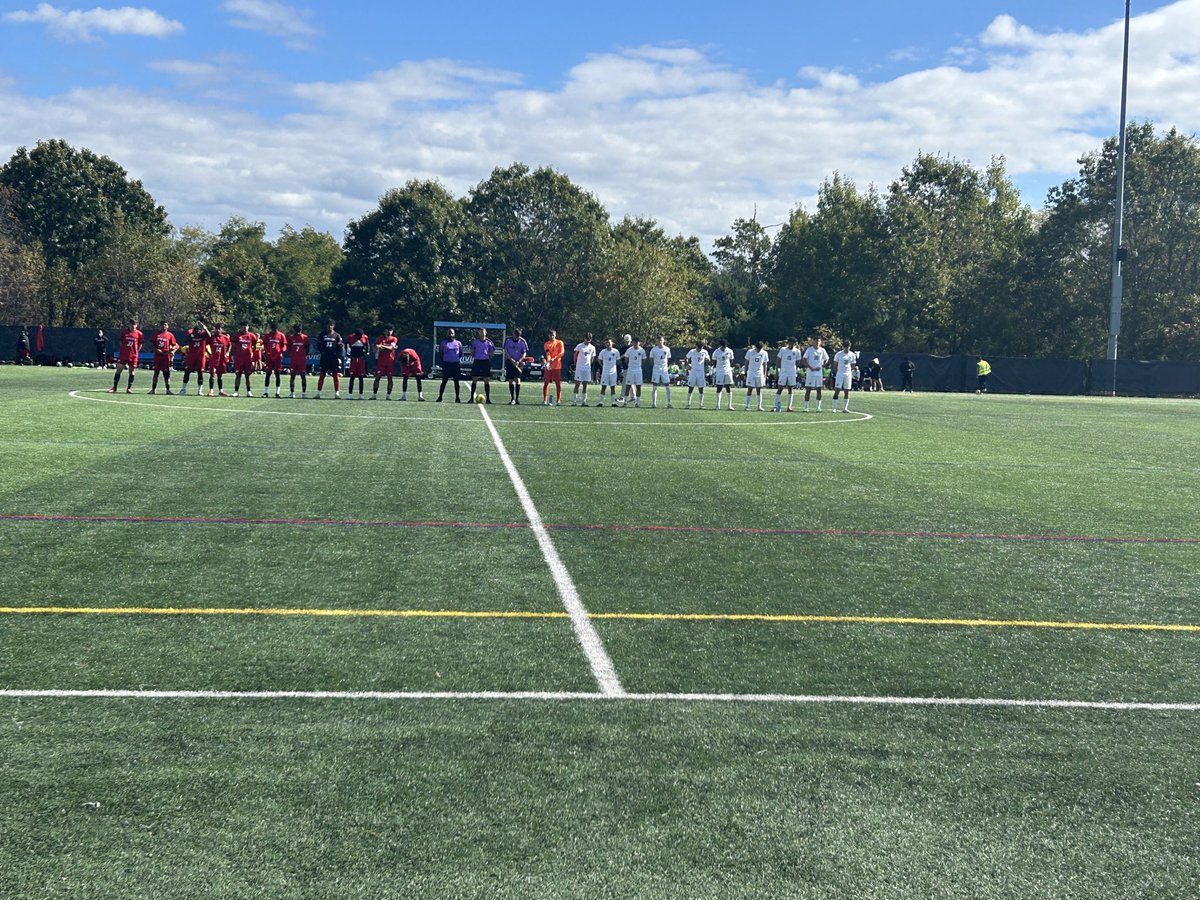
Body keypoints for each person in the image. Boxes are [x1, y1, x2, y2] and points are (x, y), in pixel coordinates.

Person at [107, 319, 143, 394]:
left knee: (132, 372)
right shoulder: (124, 332)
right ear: (129, 324)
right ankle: (114, 387)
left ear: (136, 325)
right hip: (123, 355)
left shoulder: (139, 334)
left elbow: (140, 344)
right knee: (119, 370)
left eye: (135, 324)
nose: (133, 326)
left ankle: (129, 388)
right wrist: (124, 349)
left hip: (133, 356)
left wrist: (135, 351)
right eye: (132, 324)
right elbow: (121, 342)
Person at [314, 320, 344, 399]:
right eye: (328, 325)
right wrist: (323, 352)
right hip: (325, 357)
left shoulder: (337, 335)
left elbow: (339, 346)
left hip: (333, 358)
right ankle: (318, 393)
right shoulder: (322, 334)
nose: (329, 326)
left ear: (333, 326)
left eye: (331, 325)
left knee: (335, 375)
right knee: (322, 375)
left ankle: (337, 393)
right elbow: (319, 345)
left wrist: (337, 351)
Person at [147, 322, 178, 395]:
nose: (164, 326)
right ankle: (153, 389)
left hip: (166, 357)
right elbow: (151, 344)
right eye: (162, 325)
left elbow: (175, 345)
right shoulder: (156, 334)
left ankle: (168, 390)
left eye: (165, 325)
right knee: (156, 373)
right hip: (157, 357)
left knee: (166, 374)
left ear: (167, 326)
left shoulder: (170, 335)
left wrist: (170, 350)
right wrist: (156, 349)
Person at [179, 323, 210, 395]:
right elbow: (186, 339)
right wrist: (191, 335)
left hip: (200, 357)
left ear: (200, 331)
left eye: (198, 331)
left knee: (200, 373)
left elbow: (209, 335)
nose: (196, 332)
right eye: (195, 331)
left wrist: (205, 328)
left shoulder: (203, 336)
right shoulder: (191, 335)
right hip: (191, 357)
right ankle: (183, 389)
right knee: (187, 372)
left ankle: (199, 391)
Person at [230, 323, 259, 398]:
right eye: (243, 326)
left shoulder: (252, 335)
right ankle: (236, 392)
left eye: (246, 326)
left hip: (248, 359)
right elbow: (233, 345)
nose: (245, 327)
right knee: (238, 375)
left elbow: (255, 344)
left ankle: (249, 392)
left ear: (248, 327)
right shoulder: (237, 335)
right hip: (239, 359)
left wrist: (253, 352)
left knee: (248, 376)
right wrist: (233, 355)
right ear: (241, 327)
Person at [259, 322, 287, 398]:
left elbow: (284, 346)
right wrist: (267, 352)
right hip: (269, 358)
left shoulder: (281, 335)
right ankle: (266, 392)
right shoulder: (267, 335)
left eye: (275, 329)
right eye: (273, 329)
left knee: (277, 374)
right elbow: (264, 344)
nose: (274, 330)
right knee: (268, 374)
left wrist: (280, 352)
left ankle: (277, 392)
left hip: (277, 358)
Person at [774, 337, 802, 412]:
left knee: (790, 388)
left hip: (792, 372)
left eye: (793, 343)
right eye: (790, 343)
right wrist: (777, 371)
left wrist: (795, 370)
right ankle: (775, 406)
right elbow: (778, 360)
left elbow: (798, 362)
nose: (791, 344)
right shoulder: (783, 349)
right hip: (783, 372)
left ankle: (789, 406)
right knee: (780, 388)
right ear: (788, 343)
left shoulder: (797, 351)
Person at [801, 335, 828, 412]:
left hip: (819, 373)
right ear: (813, 342)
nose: (817, 343)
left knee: (819, 390)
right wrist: (810, 367)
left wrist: (822, 365)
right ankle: (806, 407)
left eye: (819, 341)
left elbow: (827, 359)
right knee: (808, 390)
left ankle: (818, 407)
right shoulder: (809, 350)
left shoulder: (822, 350)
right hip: (810, 373)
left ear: (820, 342)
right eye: (816, 341)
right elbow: (804, 360)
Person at [436, 327, 463, 402]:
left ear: (454, 334)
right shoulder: (443, 343)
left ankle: (457, 398)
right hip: (446, 365)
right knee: (444, 381)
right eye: (449, 333)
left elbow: (460, 354)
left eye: (452, 333)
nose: (450, 334)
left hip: (455, 365)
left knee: (456, 382)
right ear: (447, 334)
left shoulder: (458, 343)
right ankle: (440, 397)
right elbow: (441, 354)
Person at [503, 329, 529, 404]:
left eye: (518, 336)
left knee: (517, 379)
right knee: (510, 380)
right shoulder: (508, 340)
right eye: (515, 336)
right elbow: (506, 351)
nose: (517, 338)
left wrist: (519, 360)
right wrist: (511, 360)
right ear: (513, 334)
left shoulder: (522, 341)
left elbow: (524, 353)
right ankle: (512, 398)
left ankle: (517, 399)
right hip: (510, 362)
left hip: (519, 363)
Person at [372, 326, 399, 399]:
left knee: (390, 378)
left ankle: (388, 395)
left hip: (390, 361)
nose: (390, 332)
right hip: (381, 361)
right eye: (389, 330)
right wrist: (386, 347)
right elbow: (378, 348)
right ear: (385, 331)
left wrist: (382, 346)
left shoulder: (394, 338)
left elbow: (391, 348)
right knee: (377, 377)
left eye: (391, 330)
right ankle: (374, 394)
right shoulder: (380, 338)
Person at [832, 340, 859, 413]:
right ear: (843, 347)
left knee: (846, 391)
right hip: (840, 373)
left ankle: (845, 408)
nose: (847, 349)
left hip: (848, 374)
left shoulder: (852, 355)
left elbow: (853, 364)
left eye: (848, 347)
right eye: (846, 347)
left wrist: (854, 368)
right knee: (837, 390)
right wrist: (835, 372)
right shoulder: (839, 354)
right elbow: (835, 363)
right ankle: (834, 407)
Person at [469, 328, 495, 403]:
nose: (481, 333)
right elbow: (472, 352)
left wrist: (487, 356)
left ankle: (488, 399)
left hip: (485, 362)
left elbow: (492, 352)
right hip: (477, 361)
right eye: (480, 332)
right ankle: (471, 398)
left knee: (486, 380)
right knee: (474, 380)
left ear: (486, 333)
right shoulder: (475, 342)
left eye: (483, 332)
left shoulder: (489, 342)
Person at [206, 325, 232, 397]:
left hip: (221, 360)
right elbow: (205, 344)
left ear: (221, 329)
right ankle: (211, 390)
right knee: (212, 375)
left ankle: (221, 391)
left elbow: (230, 345)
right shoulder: (212, 338)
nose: (217, 330)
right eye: (216, 329)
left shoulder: (225, 338)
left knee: (220, 376)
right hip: (214, 359)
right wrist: (208, 353)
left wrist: (227, 352)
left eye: (219, 329)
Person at [572, 332, 597, 406]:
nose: (588, 341)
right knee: (577, 384)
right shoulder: (579, 346)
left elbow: (592, 357)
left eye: (589, 339)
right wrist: (575, 363)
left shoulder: (592, 347)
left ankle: (584, 401)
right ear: (584, 338)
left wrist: (589, 364)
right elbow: (575, 354)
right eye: (587, 339)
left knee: (585, 384)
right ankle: (574, 401)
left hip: (587, 368)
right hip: (579, 367)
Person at [743, 340, 769, 411]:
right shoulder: (750, 352)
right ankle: (747, 406)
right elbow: (746, 363)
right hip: (751, 372)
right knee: (750, 389)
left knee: (759, 390)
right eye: (758, 348)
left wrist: (765, 374)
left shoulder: (764, 353)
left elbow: (765, 365)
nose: (759, 350)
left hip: (759, 373)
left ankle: (759, 406)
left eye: (760, 348)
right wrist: (746, 372)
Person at [345, 329, 370, 399]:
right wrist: (348, 354)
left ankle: (361, 394)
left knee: (361, 377)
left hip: (361, 359)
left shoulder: (365, 337)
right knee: (352, 377)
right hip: (353, 359)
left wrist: (366, 352)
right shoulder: (351, 337)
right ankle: (350, 394)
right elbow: (346, 344)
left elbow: (367, 345)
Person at [684, 341, 710, 409]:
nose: (700, 349)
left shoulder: (705, 352)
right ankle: (688, 404)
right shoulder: (692, 351)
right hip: (693, 371)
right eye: (699, 348)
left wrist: (707, 360)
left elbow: (708, 361)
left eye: (701, 348)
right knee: (691, 387)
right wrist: (687, 365)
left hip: (701, 372)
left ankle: (701, 404)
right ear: (696, 346)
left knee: (701, 388)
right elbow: (686, 358)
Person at [712, 339, 736, 410]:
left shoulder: (730, 351)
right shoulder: (716, 352)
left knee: (728, 387)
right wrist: (717, 368)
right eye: (723, 346)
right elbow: (714, 361)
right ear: (720, 346)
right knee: (719, 388)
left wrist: (728, 367)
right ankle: (717, 405)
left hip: (727, 371)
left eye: (725, 346)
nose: (724, 348)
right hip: (719, 372)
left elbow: (731, 360)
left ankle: (729, 405)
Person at [542, 329, 565, 405]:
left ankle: (558, 400)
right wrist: (548, 361)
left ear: (555, 335)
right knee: (546, 382)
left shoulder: (559, 343)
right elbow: (548, 353)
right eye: (551, 335)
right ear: (548, 335)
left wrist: (554, 358)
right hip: (549, 366)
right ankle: (545, 400)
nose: (552, 336)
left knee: (558, 383)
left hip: (557, 366)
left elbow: (561, 353)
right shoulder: (547, 344)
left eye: (553, 335)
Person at [596, 338, 621, 406]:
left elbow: (618, 361)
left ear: (612, 343)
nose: (608, 344)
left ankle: (613, 403)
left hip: (613, 372)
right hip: (605, 372)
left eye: (609, 343)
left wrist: (613, 366)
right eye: (606, 343)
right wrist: (604, 366)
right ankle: (601, 402)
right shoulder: (603, 352)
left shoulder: (616, 352)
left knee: (612, 387)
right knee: (603, 387)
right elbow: (599, 360)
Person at [622, 337, 646, 407]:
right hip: (630, 370)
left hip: (638, 370)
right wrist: (630, 366)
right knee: (628, 386)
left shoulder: (642, 350)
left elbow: (643, 360)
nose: (636, 343)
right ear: (632, 342)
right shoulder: (629, 350)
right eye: (634, 342)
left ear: (639, 342)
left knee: (638, 386)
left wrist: (638, 366)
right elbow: (626, 359)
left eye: (637, 342)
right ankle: (625, 402)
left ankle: (637, 403)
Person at [649, 336, 673, 409]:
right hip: (656, 369)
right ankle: (654, 403)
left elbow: (668, 359)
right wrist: (655, 366)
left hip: (664, 370)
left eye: (661, 340)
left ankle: (669, 403)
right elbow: (651, 360)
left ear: (663, 341)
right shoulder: (653, 350)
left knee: (667, 386)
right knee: (655, 387)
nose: (660, 342)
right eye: (659, 340)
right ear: (657, 341)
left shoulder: (667, 349)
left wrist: (665, 367)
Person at [287, 324, 310, 398]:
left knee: (303, 376)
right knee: (292, 376)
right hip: (294, 360)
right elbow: (289, 347)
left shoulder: (305, 337)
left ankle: (304, 393)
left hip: (301, 360)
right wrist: (292, 353)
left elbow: (308, 347)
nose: (298, 331)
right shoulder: (291, 337)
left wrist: (304, 354)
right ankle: (292, 392)